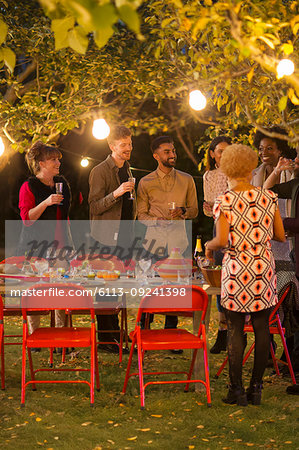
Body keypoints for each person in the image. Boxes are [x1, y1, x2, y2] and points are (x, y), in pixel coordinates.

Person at [205, 144, 285, 406]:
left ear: (227, 168)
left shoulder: (225, 200)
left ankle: (235, 390)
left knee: (236, 328)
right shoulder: (268, 197)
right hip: (263, 267)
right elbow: (280, 235)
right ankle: (257, 388)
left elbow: (220, 240)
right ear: (251, 168)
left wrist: (208, 246)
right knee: (262, 327)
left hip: (237, 268)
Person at [137, 136, 198, 334]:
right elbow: (140, 215)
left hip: (178, 244)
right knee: (150, 290)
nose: (172, 155)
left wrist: (183, 211)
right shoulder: (145, 182)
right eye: (167, 152)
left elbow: (194, 210)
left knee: (174, 292)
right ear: (156, 156)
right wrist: (156, 221)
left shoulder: (187, 179)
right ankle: (144, 332)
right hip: (153, 244)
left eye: (173, 151)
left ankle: (171, 333)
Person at [18, 141, 72, 350]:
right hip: (36, 248)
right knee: (36, 291)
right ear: (41, 163)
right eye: (53, 159)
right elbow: (26, 219)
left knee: (61, 291)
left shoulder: (62, 184)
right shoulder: (29, 186)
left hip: (60, 248)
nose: (58, 162)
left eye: (58, 158)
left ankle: (60, 339)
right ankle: (35, 338)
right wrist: (46, 202)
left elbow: (65, 217)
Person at [88, 125, 136, 353]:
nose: (129, 148)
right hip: (105, 237)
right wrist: (117, 193)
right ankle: (105, 339)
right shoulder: (99, 171)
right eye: (123, 145)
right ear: (111, 146)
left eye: (130, 143)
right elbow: (95, 206)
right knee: (105, 290)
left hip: (125, 236)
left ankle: (116, 332)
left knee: (119, 288)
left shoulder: (127, 169)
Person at [252, 126, 298, 362]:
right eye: (261, 148)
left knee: (288, 300)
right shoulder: (256, 174)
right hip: (265, 246)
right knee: (265, 300)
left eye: (270, 148)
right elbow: (258, 198)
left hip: (288, 244)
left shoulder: (293, 175)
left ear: (281, 150)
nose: (264, 152)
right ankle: (267, 351)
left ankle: (289, 353)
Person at [263, 147, 299, 395]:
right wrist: (276, 171)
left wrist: (283, 224)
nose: (295, 159)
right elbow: (265, 192)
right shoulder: (296, 184)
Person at [203, 135, 231, 354]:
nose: (223, 154)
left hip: (236, 229)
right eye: (219, 150)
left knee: (235, 282)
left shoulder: (237, 173)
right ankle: (223, 331)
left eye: (227, 150)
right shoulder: (208, 176)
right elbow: (209, 209)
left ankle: (236, 330)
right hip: (218, 227)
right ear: (212, 154)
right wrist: (209, 207)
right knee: (220, 282)